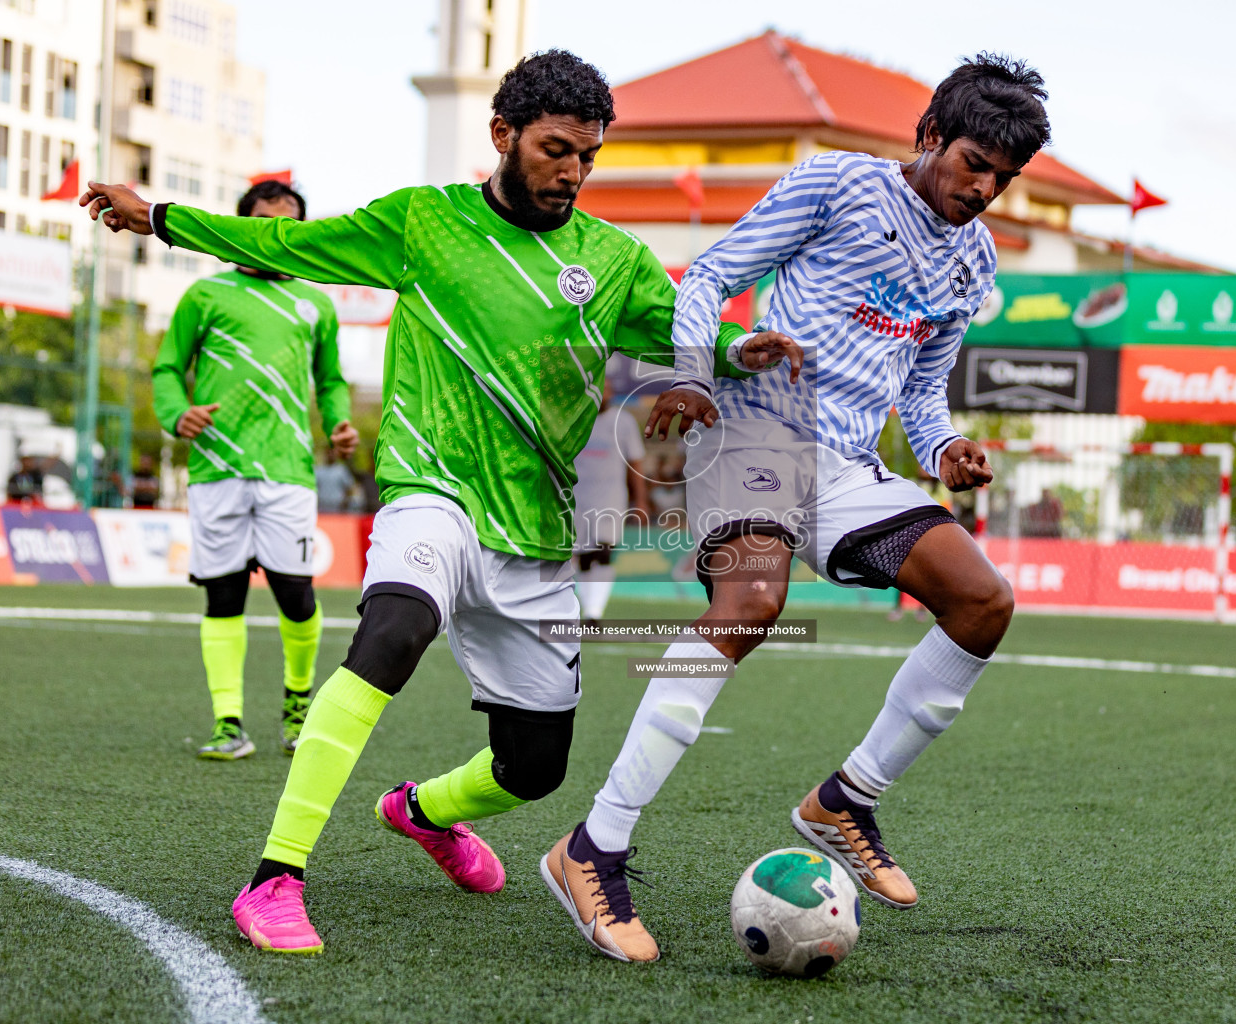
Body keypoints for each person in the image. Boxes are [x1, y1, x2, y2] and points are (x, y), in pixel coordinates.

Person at [83, 48, 796, 955]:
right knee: (393, 631)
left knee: (534, 771)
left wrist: (741, 353)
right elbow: (290, 245)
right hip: (433, 491)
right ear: (501, 135)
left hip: (535, 529)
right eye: (554, 150)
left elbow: (682, 336)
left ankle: (421, 812)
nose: (572, 171)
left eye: (588, 155)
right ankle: (274, 879)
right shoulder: (425, 221)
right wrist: (165, 219)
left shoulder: (614, 261)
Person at [541, 53, 1044, 962]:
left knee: (984, 602)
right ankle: (594, 845)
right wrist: (695, 371)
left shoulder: (975, 259)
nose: (986, 189)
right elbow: (706, 277)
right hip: (758, 424)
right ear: (930, 136)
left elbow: (923, 394)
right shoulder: (838, 183)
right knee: (752, 606)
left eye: (1004, 179)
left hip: (848, 462)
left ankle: (848, 799)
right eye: (974, 163)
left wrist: (945, 449)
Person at [150, 178, 357, 763]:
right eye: (262, 222)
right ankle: (228, 723)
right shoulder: (205, 295)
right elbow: (167, 368)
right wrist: (175, 413)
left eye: (285, 226)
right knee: (223, 596)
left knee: (296, 595)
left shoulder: (316, 303)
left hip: (288, 471)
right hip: (215, 468)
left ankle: (298, 707)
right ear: (243, 225)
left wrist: (337, 423)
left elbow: (332, 382)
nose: (273, 235)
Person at [571, 382, 650, 624]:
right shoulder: (574, 420)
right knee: (584, 556)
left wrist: (641, 500)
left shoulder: (623, 422)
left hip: (611, 499)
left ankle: (594, 613)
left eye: (607, 388)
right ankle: (588, 609)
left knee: (605, 552)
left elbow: (635, 462)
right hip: (579, 498)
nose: (604, 393)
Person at [314, 448, 357, 513]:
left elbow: (350, 488)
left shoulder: (341, 470)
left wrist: (345, 502)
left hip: (338, 508)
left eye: (333, 453)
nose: (330, 455)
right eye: (328, 453)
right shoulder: (318, 470)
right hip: (322, 507)